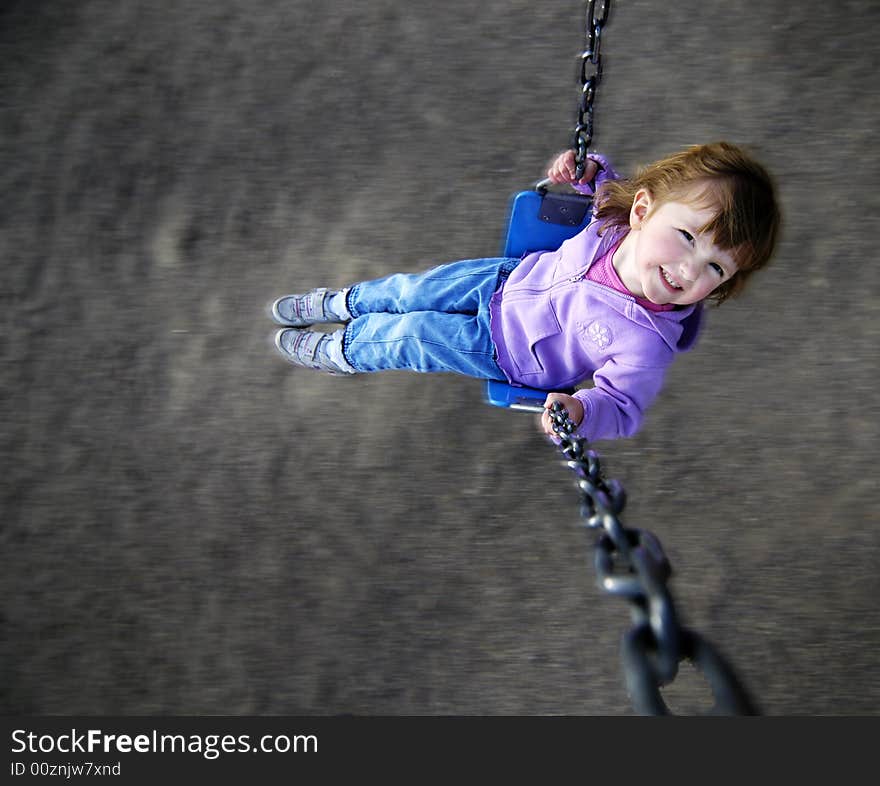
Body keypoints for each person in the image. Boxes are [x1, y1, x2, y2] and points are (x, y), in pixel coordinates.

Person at [270, 141, 780, 441]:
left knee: (415, 334)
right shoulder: (615, 221)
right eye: (687, 237)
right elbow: (602, 181)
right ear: (644, 211)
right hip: (507, 278)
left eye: (715, 267)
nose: (688, 269)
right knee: (412, 290)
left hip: (510, 351)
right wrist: (583, 169)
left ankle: (342, 350)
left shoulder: (647, 343)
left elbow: (622, 408)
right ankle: (344, 303)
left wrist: (581, 413)